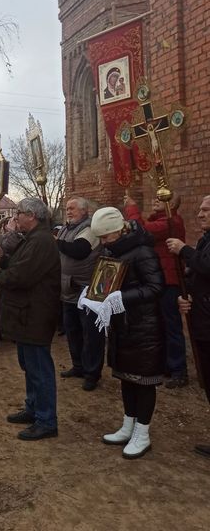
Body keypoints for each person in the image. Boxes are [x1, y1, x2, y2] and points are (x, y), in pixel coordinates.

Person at [83, 207, 164, 459]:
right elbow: (106, 282)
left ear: (118, 231)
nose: (103, 242)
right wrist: (93, 292)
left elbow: (155, 287)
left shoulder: (143, 251)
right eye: (100, 238)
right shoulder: (112, 251)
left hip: (144, 326)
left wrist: (121, 297)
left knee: (143, 380)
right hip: (122, 325)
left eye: (106, 237)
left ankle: (143, 432)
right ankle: (128, 424)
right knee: (126, 378)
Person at [0, 198, 60, 441]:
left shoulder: (41, 241)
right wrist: (2, 258)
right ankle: (33, 408)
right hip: (27, 315)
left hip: (35, 315)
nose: (15, 217)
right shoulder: (32, 239)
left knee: (39, 369)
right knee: (30, 367)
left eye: (18, 213)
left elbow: (23, 276)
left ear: (31, 215)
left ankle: (46, 420)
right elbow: (18, 265)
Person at [125, 194, 188, 388]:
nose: (154, 200)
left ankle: (178, 370)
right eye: (155, 197)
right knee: (160, 324)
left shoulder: (172, 222)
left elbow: (142, 231)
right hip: (159, 279)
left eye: (160, 199)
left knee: (171, 325)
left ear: (172, 203)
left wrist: (132, 208)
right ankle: (166, 364)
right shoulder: (159, 220)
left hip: (169, 281)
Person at [167, 195, 210, 458]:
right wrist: (187, 297)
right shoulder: (205, 239)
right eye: (201, 210)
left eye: (207, 210)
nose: (201, 214)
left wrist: (183, 250)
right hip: (203, 319)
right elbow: (199, 275)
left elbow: (206, 265)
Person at [57, 197, 104, 391]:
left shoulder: (90, 228)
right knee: (73, 331)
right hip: (68, 289)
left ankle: (92, 373)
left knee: (90, 335)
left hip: (86, 290)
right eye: (67, 208)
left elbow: (79, 250)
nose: (68, 211)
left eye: (72, 208)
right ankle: (78, 366)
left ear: (84, 211)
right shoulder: (65, 228)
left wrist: (56, 242)